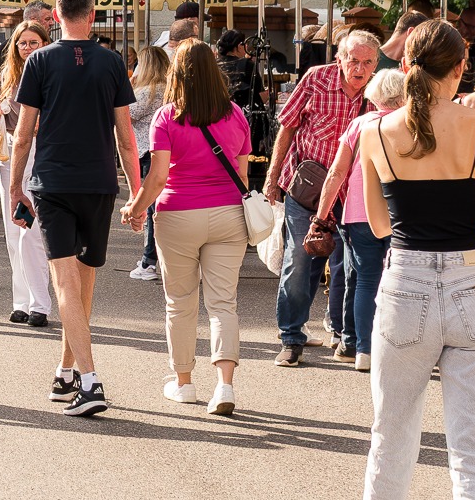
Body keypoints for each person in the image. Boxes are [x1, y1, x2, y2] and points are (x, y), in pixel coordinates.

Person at [345, 20, 475, 500]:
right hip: (470, 280)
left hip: (406, 282)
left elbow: (382, 227)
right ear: (460, 67)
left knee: (392, 433)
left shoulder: (376, 133)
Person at [7, 0, 141, 419]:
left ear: (54, 17)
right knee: (82, 285)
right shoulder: (112, 62)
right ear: (93, 12)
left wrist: (14, 188)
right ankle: (67, 369)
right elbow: (126, 139)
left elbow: (23, 134)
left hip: (53, 182)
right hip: (100, 182)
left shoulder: (40, 60)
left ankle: (89, 379)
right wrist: (137, 193)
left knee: (64, 283)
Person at [122, 42, 251, 415]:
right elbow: (241, 174)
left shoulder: (167, 117)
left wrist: (135, 208)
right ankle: (224, 386)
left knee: (179, 303)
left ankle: (184, 384)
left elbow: (159, 176)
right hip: (228, 213)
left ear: (177, 74)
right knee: (223, 303)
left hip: (178, 214)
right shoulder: (236, 115)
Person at [264, 30, 379, 365]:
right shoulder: (316, 79)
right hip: (309, 188)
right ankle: (291, 337)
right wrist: (272, 178)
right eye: (353, 60)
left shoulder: (377, 92)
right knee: (301, 261)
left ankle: (347, 337)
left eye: (367, 62)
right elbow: (286, 127)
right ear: (339, 58)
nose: (360, 68)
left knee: (351, 267)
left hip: (352, 192)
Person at [308, 68, 407, 370]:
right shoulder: (410, 124)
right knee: (402, 280)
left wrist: (321, 215)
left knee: (365, 280)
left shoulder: (359, 125)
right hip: (401, 215)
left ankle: (363, 350)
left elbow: (337, 173)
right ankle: (397, 349)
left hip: (358, 214)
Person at [0, 20, 54, 327]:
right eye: (22, 43)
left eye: (34, 42)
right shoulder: (7, 75)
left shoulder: (52, 73)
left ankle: (40, 303)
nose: (28, 48)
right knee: (14, 231)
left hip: (42, 155)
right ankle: (21, 301)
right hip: (11, 158)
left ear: (45, 44)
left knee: (32, 233)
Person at [126, 45, 169, 282]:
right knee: (159, 208)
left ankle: (148, 260)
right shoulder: (169, 89)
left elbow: (123, 115)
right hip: (166, 152)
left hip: (147, 153)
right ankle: (156, 259)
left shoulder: (147, 92)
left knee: (151, 208)